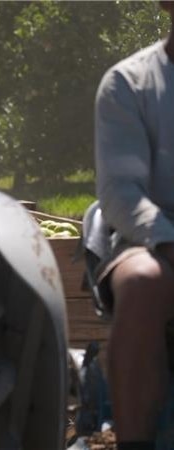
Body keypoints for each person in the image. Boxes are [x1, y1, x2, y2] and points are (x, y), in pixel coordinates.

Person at [94, 2, 174, 449]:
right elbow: (122, 193)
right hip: (151, 240)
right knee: (145, 283)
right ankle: (137, 441)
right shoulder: (130, 84)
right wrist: (169, 241)